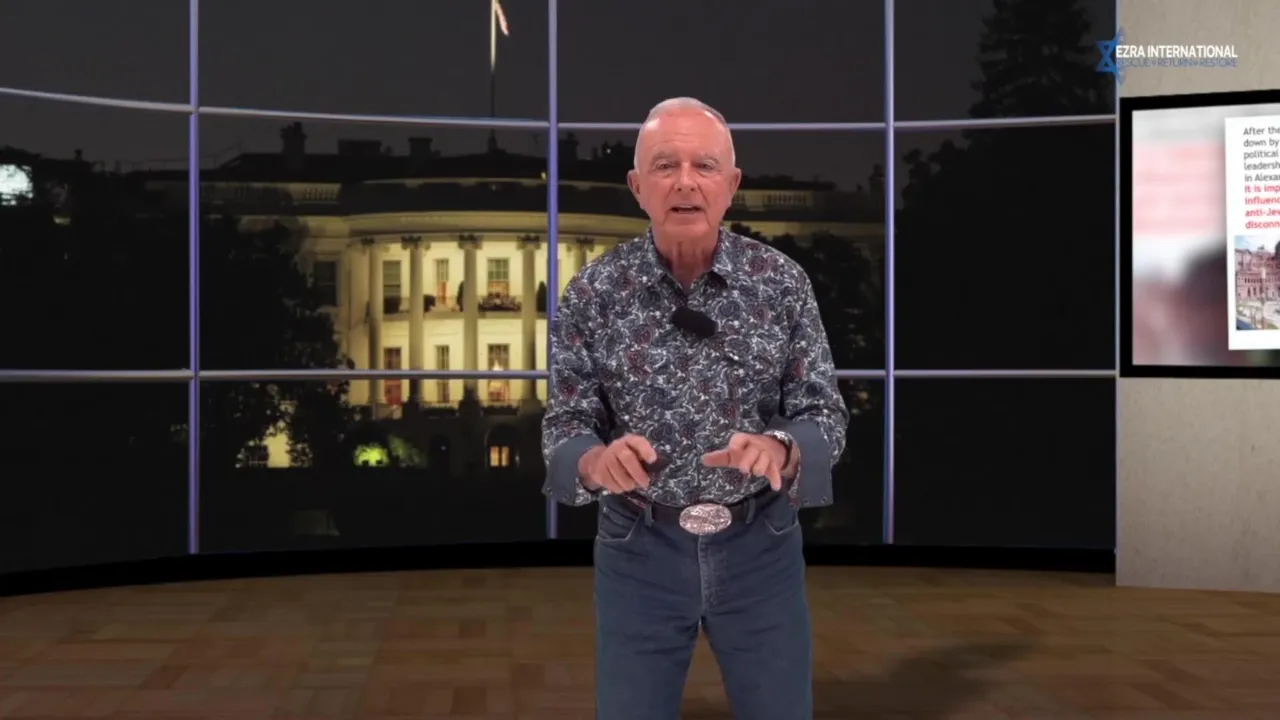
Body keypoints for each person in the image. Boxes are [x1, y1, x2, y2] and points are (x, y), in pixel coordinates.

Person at [541, 97, 849, 720]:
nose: (685, 182)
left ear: (731, 185)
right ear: (637, 187)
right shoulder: (592, 293)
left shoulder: (781, 283)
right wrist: (597, 462)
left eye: (704, 166)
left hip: (760, 546)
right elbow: (565, 424)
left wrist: (781, 448)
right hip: (638, 549)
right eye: (665, 166)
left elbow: (824, 414)